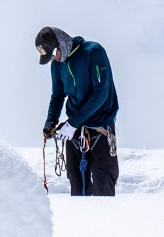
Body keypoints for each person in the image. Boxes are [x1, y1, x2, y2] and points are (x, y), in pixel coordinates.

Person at [37, 26, 121, 197]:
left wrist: (72, 124)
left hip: (100, 127)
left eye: (53, 54)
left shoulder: (93, 52)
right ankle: (80, 222)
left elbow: (101, 93)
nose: (53, 59)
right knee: (76, 183)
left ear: (60, 44)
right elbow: (58, 95)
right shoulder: (57, 65)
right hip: (75, 130)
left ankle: (106, 221)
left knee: (103, 183)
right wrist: (50, 122)